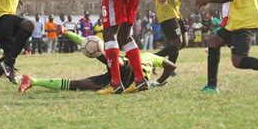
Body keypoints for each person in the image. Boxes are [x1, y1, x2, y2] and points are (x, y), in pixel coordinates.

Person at [19, 31, 176, 92]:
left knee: (109, 61)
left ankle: (67, 33)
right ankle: (32, 80)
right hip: (123, 74)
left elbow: (171, 66)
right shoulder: (149, 56)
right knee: (79, 85)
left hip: (123, 72)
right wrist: (158, 82)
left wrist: (157, 82)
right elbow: (171, 66)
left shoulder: (147, 55)